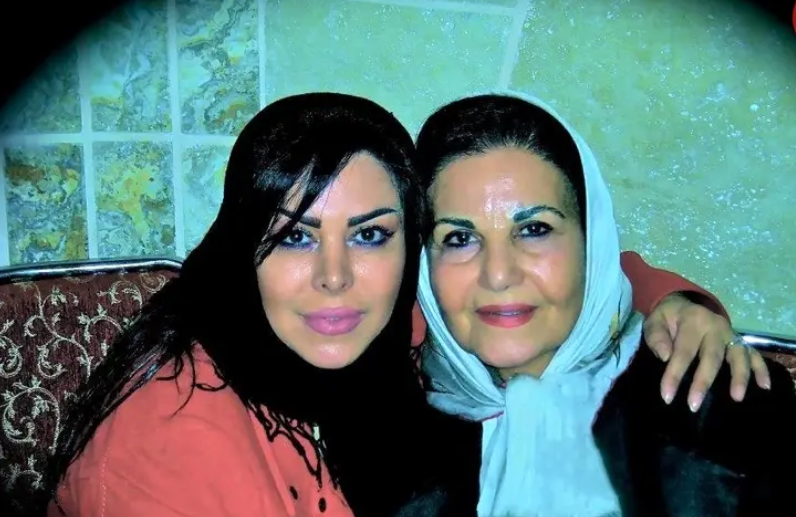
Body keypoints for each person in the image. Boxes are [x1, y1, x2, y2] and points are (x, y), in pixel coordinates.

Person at [41, 92, 761, 517]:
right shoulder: (167, 451)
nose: (335, 278)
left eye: (370, 235)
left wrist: (670, 297)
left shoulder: (715, 417)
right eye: (294, 236)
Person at [415, 92, 796, 517]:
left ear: (591, 243)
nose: (499, 274)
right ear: (424, 265)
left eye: (535, 229)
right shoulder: (383, 441)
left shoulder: (727, 419)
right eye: (459, 238)